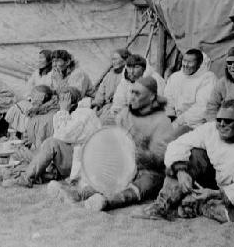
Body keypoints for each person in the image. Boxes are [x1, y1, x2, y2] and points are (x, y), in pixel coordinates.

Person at [141, 99, 234, 224]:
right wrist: (181, 171)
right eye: (219, 120)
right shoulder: (211, 129)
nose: (222, 125)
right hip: (214, 182)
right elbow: (177, 145)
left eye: (228, 121)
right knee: (192, 154)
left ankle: (202, 207)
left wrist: (216, 193)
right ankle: (162, 205)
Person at [53, 77, 174, 211]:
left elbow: (160, 158)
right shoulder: (126, 113)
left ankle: (107, 202)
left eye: (137, 94)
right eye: (132, 92)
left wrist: (135, 151)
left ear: (151, 97)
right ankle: (79, 194)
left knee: (141, 186)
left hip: (149, 171)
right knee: (106, 176)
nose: (132, 97)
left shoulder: (162, 122)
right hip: (125, 164)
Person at [8, 87, 100, 187]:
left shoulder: (84, 114)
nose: (60, 102)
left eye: (63, 99)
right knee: (27, 153)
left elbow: (62, 135)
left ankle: (27, 178)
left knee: (50, 143)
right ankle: (41, 174)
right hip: (72, 157)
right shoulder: (70, 113)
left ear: (71, 101)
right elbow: (58, 135)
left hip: (82, 161)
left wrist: (63, 110)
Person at [164, 48, 216, 132]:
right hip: (175, 121)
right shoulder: (175, 77)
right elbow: (168, 100)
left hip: (196, 124)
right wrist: (170, 117)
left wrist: (179, 121)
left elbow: (202, 108)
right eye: (184, 60)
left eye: (190, 62)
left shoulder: (207, 78)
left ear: (199, 64)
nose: (185, 64)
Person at [91, 48, 131, 117]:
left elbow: (126, 98)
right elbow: (100, 94)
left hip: (121, 108)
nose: (113, 62)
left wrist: (111, 106)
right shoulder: (109, 75)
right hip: (106, 107)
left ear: (125, 60)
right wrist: (96, 105)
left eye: (115, 59)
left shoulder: (129, 75)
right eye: (112, 59)